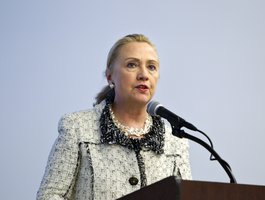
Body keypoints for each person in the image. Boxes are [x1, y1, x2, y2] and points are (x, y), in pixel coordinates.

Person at [37, 34, 192, 200]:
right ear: (110, 76)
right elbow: (49, 196)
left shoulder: (176, 141)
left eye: (151, 67)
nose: (144, 75)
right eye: (132, 65)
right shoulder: (77, 128)